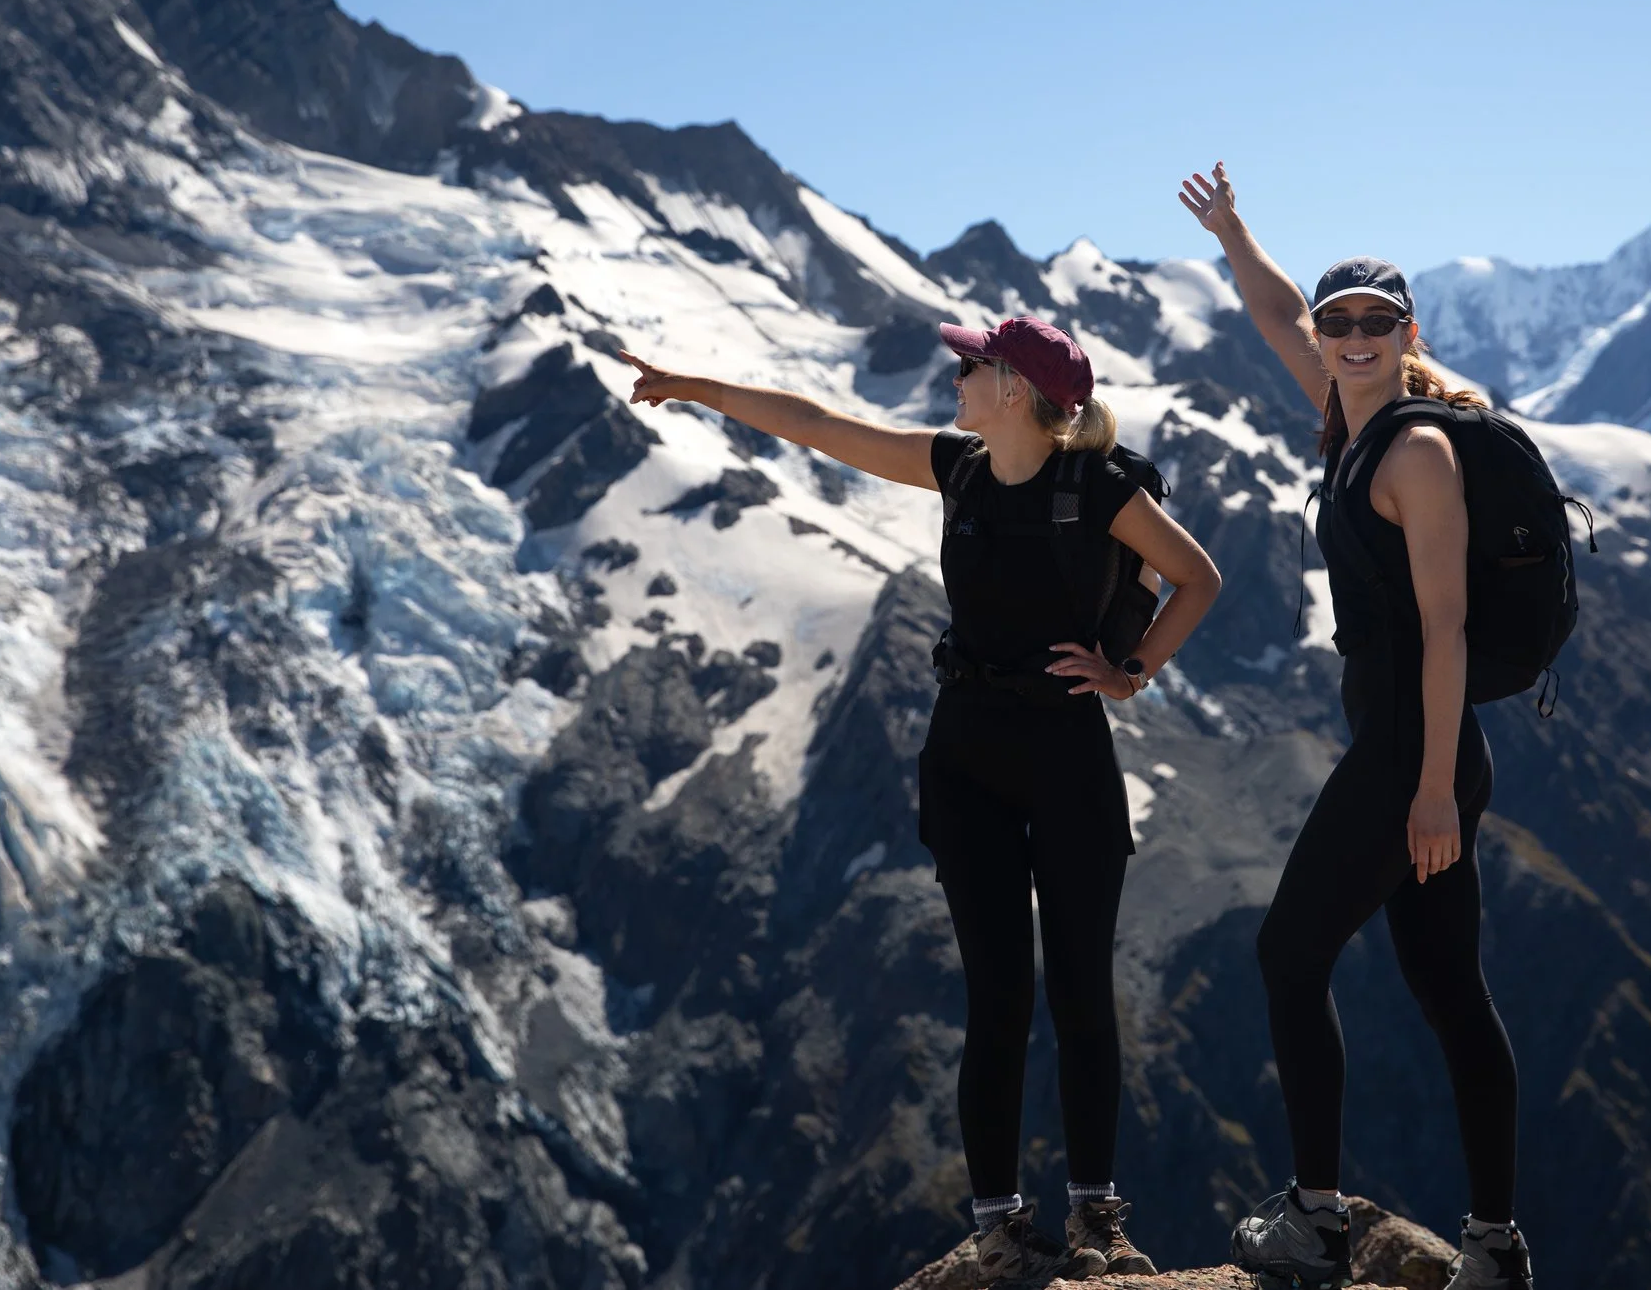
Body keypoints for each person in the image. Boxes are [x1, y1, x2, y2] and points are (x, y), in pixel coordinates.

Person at [623, 315, 1220, 1283]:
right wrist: (695, 386)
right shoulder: (961, 465)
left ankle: (1096, 1218)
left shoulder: (1100, 486)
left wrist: (1133, 671)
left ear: (1016, 389)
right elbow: (816, 422)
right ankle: (998, 1221)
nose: (954, 376)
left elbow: (1199, 576)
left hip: (1065, 750)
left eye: (970, 365)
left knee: (1079, 994)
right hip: (968, 755)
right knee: (997, 995)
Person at [1178, 164, 1533, 1290]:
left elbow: (1444, 626)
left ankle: (1318, 1218)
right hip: (1411, 749)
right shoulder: (1346, 419)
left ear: (1407, 331)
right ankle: (1492, 1246)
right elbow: (1276, 313)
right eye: (1341, 324)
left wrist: (1431, 788)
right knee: (1447, 990)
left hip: (1411, 753)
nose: (1353, 336)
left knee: (1289, 953)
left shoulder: (1417, 450)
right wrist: (1235, 234)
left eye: (1377, 321)